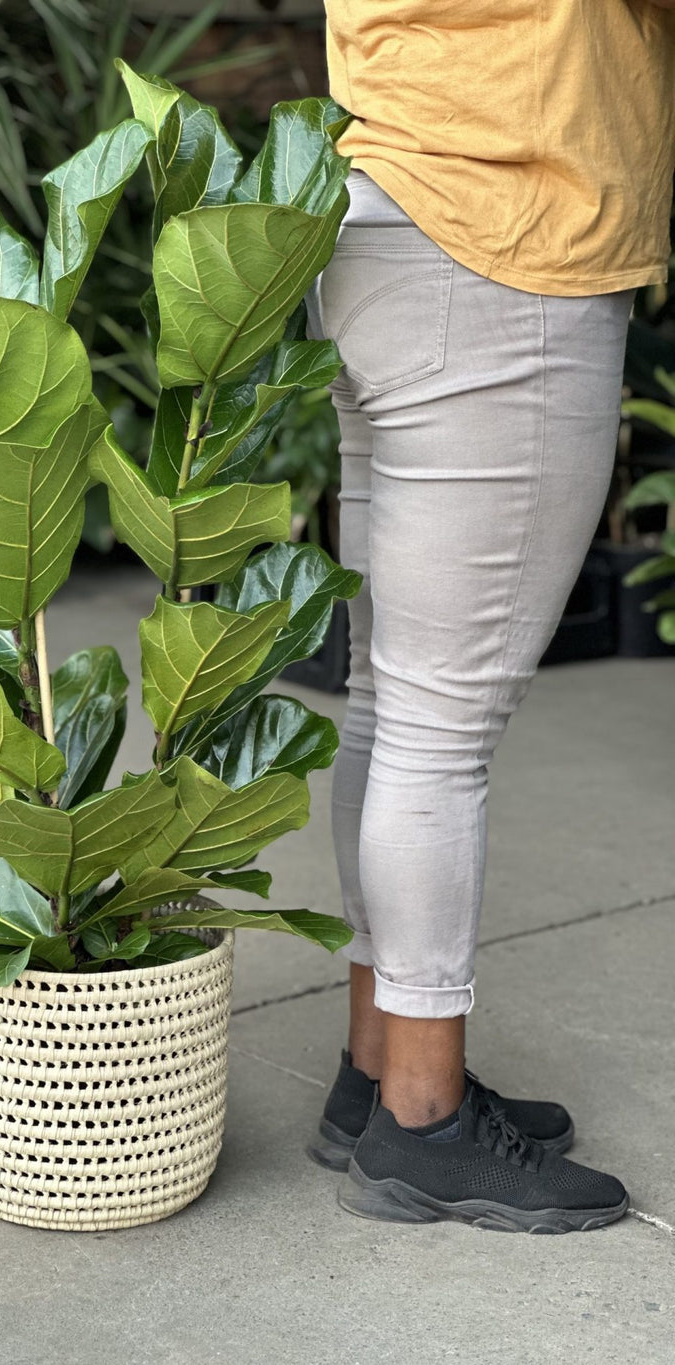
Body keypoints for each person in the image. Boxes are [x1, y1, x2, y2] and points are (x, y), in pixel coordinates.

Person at [308, 1, 675, 1231]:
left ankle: (374, 1075)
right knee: (438, 725)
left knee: (391, 696)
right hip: (505, 232)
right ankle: (423, 1120)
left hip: (391, 210)